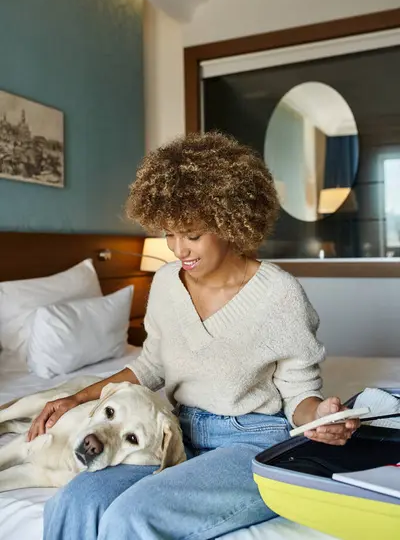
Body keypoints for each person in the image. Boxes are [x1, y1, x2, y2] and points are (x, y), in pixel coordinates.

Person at [29, 132, 359, 540]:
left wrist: (320, 418)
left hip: (249, 443)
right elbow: (150, 365)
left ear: (230, 222)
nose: (178, 249)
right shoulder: (167, 282)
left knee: (131, 517)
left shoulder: (280, 294)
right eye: (169, 233)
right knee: (74, 502)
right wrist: (77, 398)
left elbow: (298, 397)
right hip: (172, 432)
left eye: (192, 233)